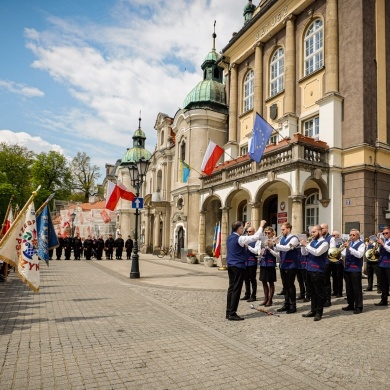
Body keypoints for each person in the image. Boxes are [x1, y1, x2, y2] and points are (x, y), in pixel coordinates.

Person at [226, 221, 264, 321]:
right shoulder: (240, 238)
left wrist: (244, 227)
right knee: (236, 289)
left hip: (230, 265)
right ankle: (232, 313)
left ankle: (228, 311)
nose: (244, 230)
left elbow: (240, 236)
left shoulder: (230, 237)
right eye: (242, 228)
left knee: (231, 288)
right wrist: (261, 226)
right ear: (239, 229)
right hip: (238, 266)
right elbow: (255, 237)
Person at [300, 225, 329, 321]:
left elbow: (317, 252)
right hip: (309, 269)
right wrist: (302, 247)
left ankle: (319, 312)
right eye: (312, 232)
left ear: (320, 232)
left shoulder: (324, 243)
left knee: (319, 292)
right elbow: (305, 254)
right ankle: (313, 310)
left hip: (318, 270)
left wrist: (306, 245)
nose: (312, 234)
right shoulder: (312, 242)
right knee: (311, 292)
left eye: (314, 232)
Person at [275, 222, 299, 314]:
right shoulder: (282, 238)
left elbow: (287, 248)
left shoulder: (294, 239)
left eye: (283, 229)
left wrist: (275, 245)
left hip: (291, 265)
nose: (282, 231)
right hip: (283, 264)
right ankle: (286, 304)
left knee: (290, 286)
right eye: (281, 230)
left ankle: (293, 305)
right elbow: (278, 249)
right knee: (285, 286)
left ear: (289, 229)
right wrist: (272, 244)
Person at [241, 221, 266, 302]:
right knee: (246, 279)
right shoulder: (246, 238)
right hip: (245, 262)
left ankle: (253, 295)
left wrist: (248, 247)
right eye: (247, 232)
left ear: (254, 232)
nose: (248, 233)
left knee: (252, 279)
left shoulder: (257, 240)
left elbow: (257, 251)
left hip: (252, 262)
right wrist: (245, 227)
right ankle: (247, 294)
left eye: (250, 231)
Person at [341, 229, 365, 314]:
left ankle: (359, 306)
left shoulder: (361, 244)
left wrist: (349, 248)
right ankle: (350, 304)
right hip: (347, 268)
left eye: (353, 235)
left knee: (357, 289)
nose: (351, 236)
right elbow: (344, 254)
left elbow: (359, 255)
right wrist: (338, 252)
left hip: (355, 268)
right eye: (350, 235)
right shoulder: (349, 243)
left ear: (358, 236)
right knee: (349, 288)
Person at [257, 226, 278, 307]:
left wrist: (269, 248)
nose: (267, 234)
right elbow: (258, 251)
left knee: (271, 282)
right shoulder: (261, 241)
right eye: (265, 233)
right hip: (263, 263)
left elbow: (277, 254)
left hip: (270, 264)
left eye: (269, 233)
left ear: (272, 233)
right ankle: (265, 299)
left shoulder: (275, 241)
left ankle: (270, 300)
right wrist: (260, 252)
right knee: (263, 281)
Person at [320, 223, 334, 307]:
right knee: (321, 281)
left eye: (322, 229)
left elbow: (332, 250)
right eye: (320, 229)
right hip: (320, 262)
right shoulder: (320, 238)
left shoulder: (331, 238)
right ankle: (322, 298)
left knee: (326, 281)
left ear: (327, 229)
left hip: (326, 262)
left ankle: (328, 299)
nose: (321, 230)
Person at [375, 226, 390, 306]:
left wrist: (383, 244)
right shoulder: (383, 241)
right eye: (383, 233)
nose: (385, 234)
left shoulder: (385, 242)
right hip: (381, 264)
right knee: (383, 284)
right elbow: (379, 251)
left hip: (389, 265)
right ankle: (384, 300)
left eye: (386, 233)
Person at [330, 230, 344, 297]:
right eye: (332, 235)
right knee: (334, 276)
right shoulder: (331, 240)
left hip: (339, 260)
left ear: (337, 235)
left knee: (339, 277)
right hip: (332, 260)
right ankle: (335, 291)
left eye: (334, 235)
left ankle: (339, 292)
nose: (332, 237)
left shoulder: (341, 241)